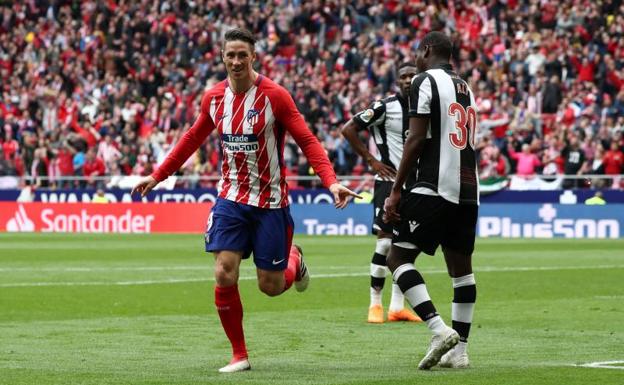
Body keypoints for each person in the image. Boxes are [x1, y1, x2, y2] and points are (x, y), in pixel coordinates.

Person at [131, 28, 359, 373]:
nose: (236, 61)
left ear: (254, 57)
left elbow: (307, 140)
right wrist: (158, 174)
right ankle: (239, 355)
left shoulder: (275, 96)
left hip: (270, 203)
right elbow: (192, 138)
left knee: (270, 286)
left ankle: (294, 260)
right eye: (230, 55)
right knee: (224, 271)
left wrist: (331, 181)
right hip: (230, 198)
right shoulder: (213, 99)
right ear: (222, 57)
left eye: (243, 55)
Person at [383, 31, 479, 370]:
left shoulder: (425, 80)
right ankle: (461, 352)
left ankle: (438, 329)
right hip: (469, 190)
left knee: (397, 257)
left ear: (426, 50)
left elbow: (416, 137)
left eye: (418, 54)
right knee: (461, 271)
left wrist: (396, 189)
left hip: (434, 185)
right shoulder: (465, 87)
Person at [341, 62, 422, 324]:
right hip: (388, 181)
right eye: (403, 77)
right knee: (385, 241)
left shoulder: (426, 109)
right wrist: (371, 160)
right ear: (397, 82)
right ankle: (375, 304)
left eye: (412, 76)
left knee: (407, 247)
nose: (408, 80)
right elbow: (348, 128)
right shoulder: (384, 107)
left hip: (418, 185)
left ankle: (397, 307)